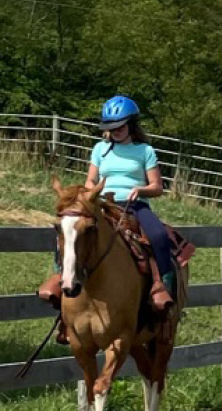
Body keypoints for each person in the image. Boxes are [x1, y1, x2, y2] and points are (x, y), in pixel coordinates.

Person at [38, 95, 179, 317]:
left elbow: (157, 187)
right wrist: (89, 196)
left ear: (131, 124)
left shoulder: (145, 151)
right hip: (102, 204)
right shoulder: (100, 149)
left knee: (158, 235)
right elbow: (90, 181)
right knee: (71, 231)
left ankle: (164, 286)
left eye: (120, 126)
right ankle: (61, 276)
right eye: (111, 127)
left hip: (135, 206)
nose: (116, 131)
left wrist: (141, 190)